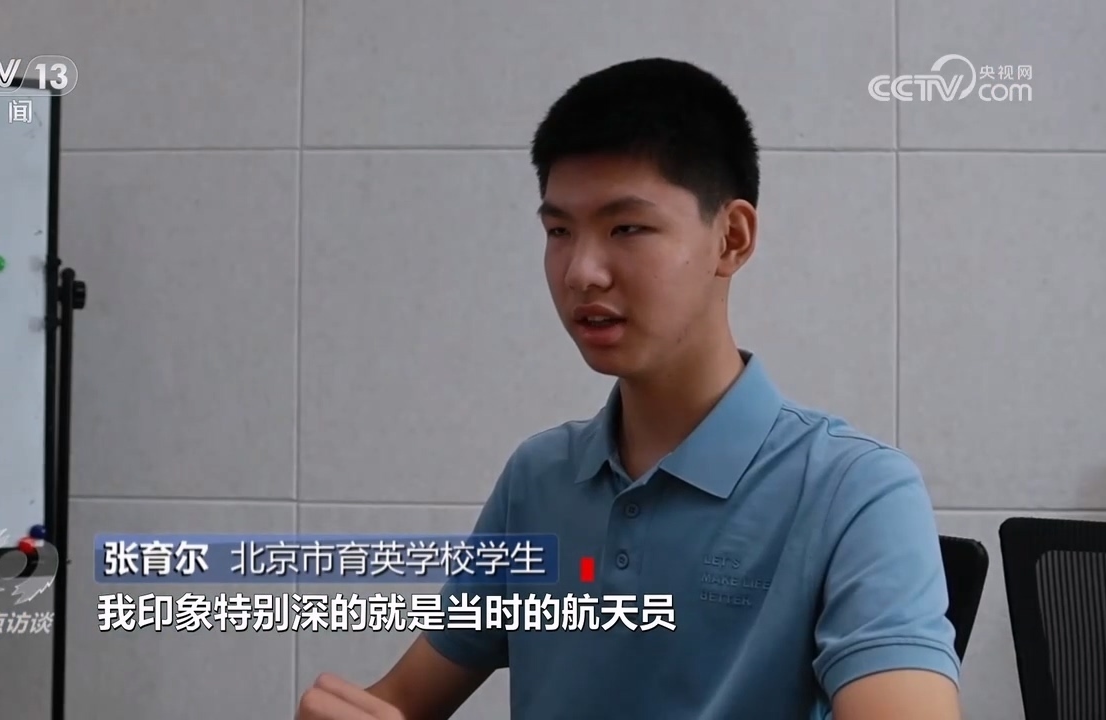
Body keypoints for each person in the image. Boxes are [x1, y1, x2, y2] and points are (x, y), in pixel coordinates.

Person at [296, 57, 962, 720]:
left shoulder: (853, 490)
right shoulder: (539, 479)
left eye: (627, 228)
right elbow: (404, 701)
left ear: (731, 239)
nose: (581, 272)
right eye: (559, 231)